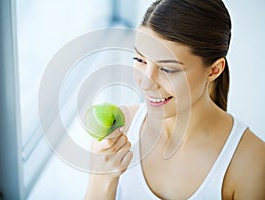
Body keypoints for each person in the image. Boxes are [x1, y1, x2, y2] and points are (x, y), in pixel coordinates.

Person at [85, 0, 265, 199]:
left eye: (168, 69)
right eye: (140, 60)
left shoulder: (251, 162)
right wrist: (102, 180)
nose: (146, 83)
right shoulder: (118, 132)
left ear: (214, 70)